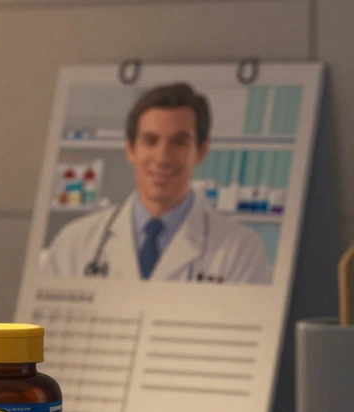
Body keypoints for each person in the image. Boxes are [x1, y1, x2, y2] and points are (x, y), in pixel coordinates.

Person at [39, 82, 273, 284]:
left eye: (179, 142)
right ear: (130, 149)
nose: (162, 158)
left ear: (202, 150)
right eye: (150, 141)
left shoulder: (240, 250)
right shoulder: (75, 242)